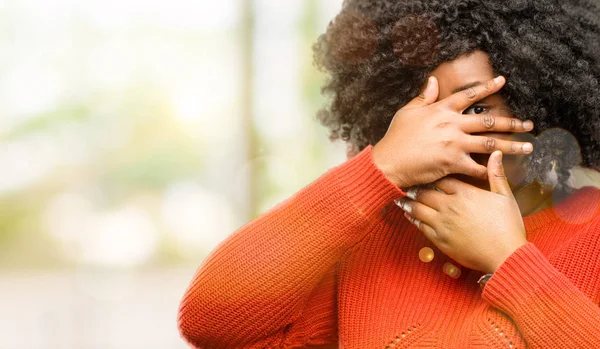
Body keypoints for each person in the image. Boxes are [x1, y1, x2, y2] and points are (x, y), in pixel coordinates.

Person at [177, 0, 600, 348]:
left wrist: (509, 260)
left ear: (541, 103)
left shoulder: (592, 232)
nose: (444, 136)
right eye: (420, 115)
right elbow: (210, 319)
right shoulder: (373, 244)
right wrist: (381, 167)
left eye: (475, 108)